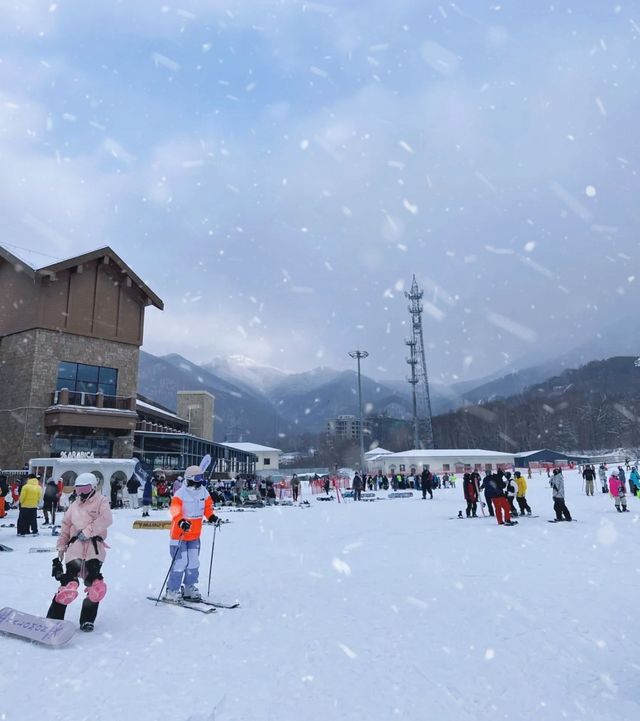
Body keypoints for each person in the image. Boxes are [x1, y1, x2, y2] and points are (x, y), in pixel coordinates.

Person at [46, 472, 112, 632]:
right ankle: (54, 619)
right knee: (68, 584)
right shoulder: (74, 506)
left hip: (94, 551)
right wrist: (61, 546)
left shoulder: (101, 502)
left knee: (95, 587)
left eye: (85, 489)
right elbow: (66, 526)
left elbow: (106, 519)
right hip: (74, 550)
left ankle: (87, 619)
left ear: (93, 487)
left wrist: (88, 531)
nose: (81, 493)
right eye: (78, 489)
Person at [164, 464, 222, 602]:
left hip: (195, 535)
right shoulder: (180, 494)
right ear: (190, 478)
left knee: (193, 563)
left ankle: (189, 587)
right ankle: (172, 590)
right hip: (179, 535)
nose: (200, 480)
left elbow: (207, 508)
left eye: (201, 477)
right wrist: (181, 521)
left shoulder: (203, 492)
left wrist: (212, 517)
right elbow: (175, 511)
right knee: (180, 562)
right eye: (197, 478)